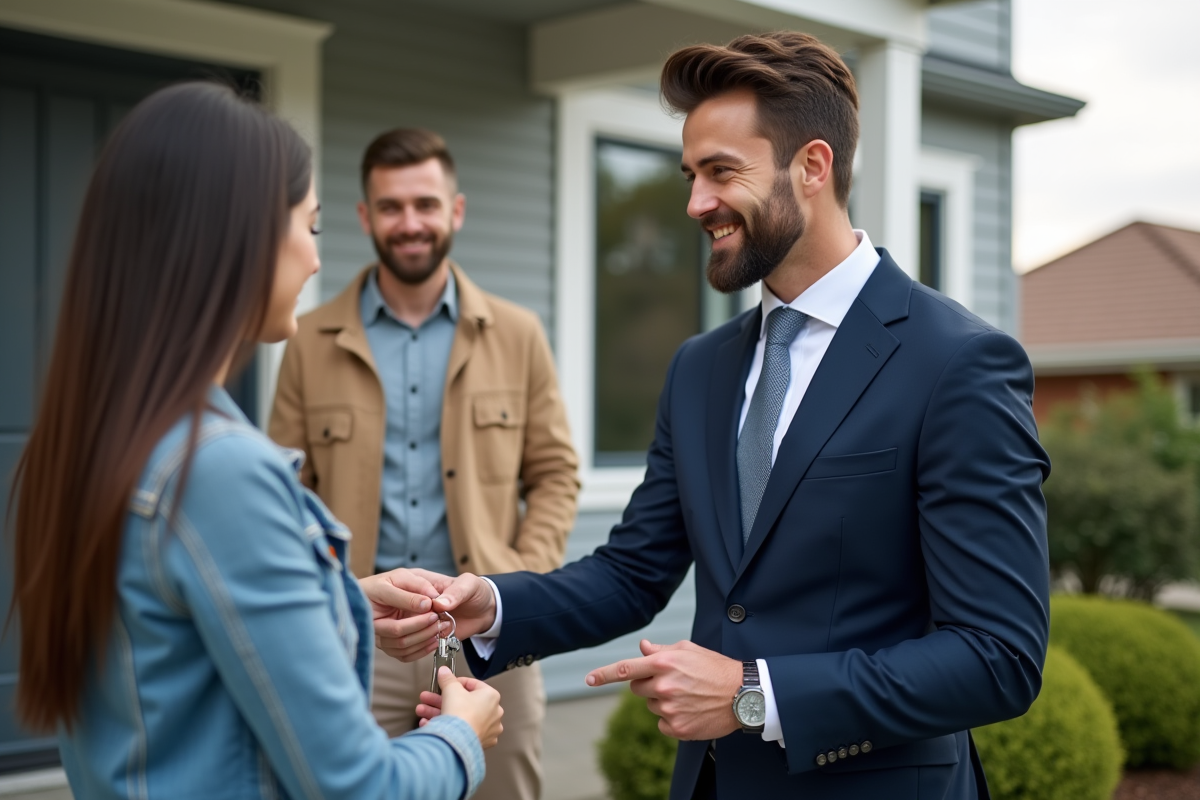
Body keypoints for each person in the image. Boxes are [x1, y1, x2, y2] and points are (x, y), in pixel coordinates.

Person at [380, 32, 1051, 800]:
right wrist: (492, 604)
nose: (696, 203)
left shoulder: (957, 362)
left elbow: (998, 656)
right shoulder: (700, 367)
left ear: (813, 167)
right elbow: (634, 571)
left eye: (721, 173)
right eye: (690, 175)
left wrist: (752, 693)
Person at [7, 82, 502, 800]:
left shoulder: (91, 441)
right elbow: (359, 788)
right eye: (312, 226)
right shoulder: (220, 471)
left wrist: (338, 596)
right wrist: (461, 735)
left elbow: (173, 643)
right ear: (237, 237)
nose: (313, 260)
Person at [268, 127, 578, 800]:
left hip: (491, 638)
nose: (410, 223)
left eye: (426, 205)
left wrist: (518, 584)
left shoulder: (518, 334)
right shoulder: (308, 342)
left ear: (455, 211)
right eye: (391, 207)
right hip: (357, 639)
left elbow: (555, 474)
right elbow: (287, 497)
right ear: (364, 217)